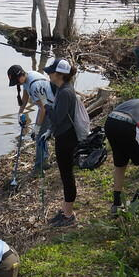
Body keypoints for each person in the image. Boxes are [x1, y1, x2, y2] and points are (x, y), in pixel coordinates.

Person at [44, 58, 89, 228]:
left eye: (50, 71)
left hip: (66, 138)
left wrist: (47, 108)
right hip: (66, 136)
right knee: (66, 175)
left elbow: (57, 118)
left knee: (67, 176)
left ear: (58, 75)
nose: (48, 73)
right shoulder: (65, 89)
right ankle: (65, 210)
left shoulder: (64, 93)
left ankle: (69, 215)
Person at [7, 64, 55, 174]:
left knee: (39, 136)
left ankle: (39, 167)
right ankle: (44, 160)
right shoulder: (29, 77)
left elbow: (43, 109)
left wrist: (36, 128)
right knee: (41, 135)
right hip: (46, 106)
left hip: (51, 108)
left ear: (21, 75)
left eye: (16, 81)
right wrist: (20, 112)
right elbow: (25, 97)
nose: (17, 84)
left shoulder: (35, 86)